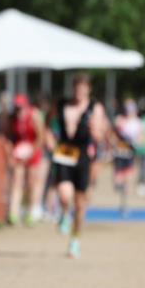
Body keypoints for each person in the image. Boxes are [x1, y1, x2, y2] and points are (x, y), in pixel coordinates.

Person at [47, 74, 107, 258]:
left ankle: (75, 241)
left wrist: (94, 131)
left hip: (83, 156)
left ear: (88, 89)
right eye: (77, 88)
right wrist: (50, 142)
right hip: (64, 152)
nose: (79, 92)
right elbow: (47, 124)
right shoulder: (62, 104)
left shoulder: (94, 108)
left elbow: (100, 135)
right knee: (65, 195)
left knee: (80, 203)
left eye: (83, 88)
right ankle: (65, 213)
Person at [7, 94, 47, 225]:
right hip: (18, 152)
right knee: (17, 181)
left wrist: (31, 151)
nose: (18, 111)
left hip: (33, 151)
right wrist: (11, 154)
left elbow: (41, 137)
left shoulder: (35, 115)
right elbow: (8, 137)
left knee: (31, 182)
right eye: (16, 108)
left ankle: (31, 211)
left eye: (20, 108)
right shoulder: (12, 118)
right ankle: (13, 213)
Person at [112, 99, 143, 215]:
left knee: (127, 181)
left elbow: (141, 140)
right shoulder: (119, 120)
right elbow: (113, 136)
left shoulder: (138, 123)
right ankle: (120, 193)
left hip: (130, 155)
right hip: (119, 155)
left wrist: (135, 142)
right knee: (118, 182)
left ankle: (124, 205)